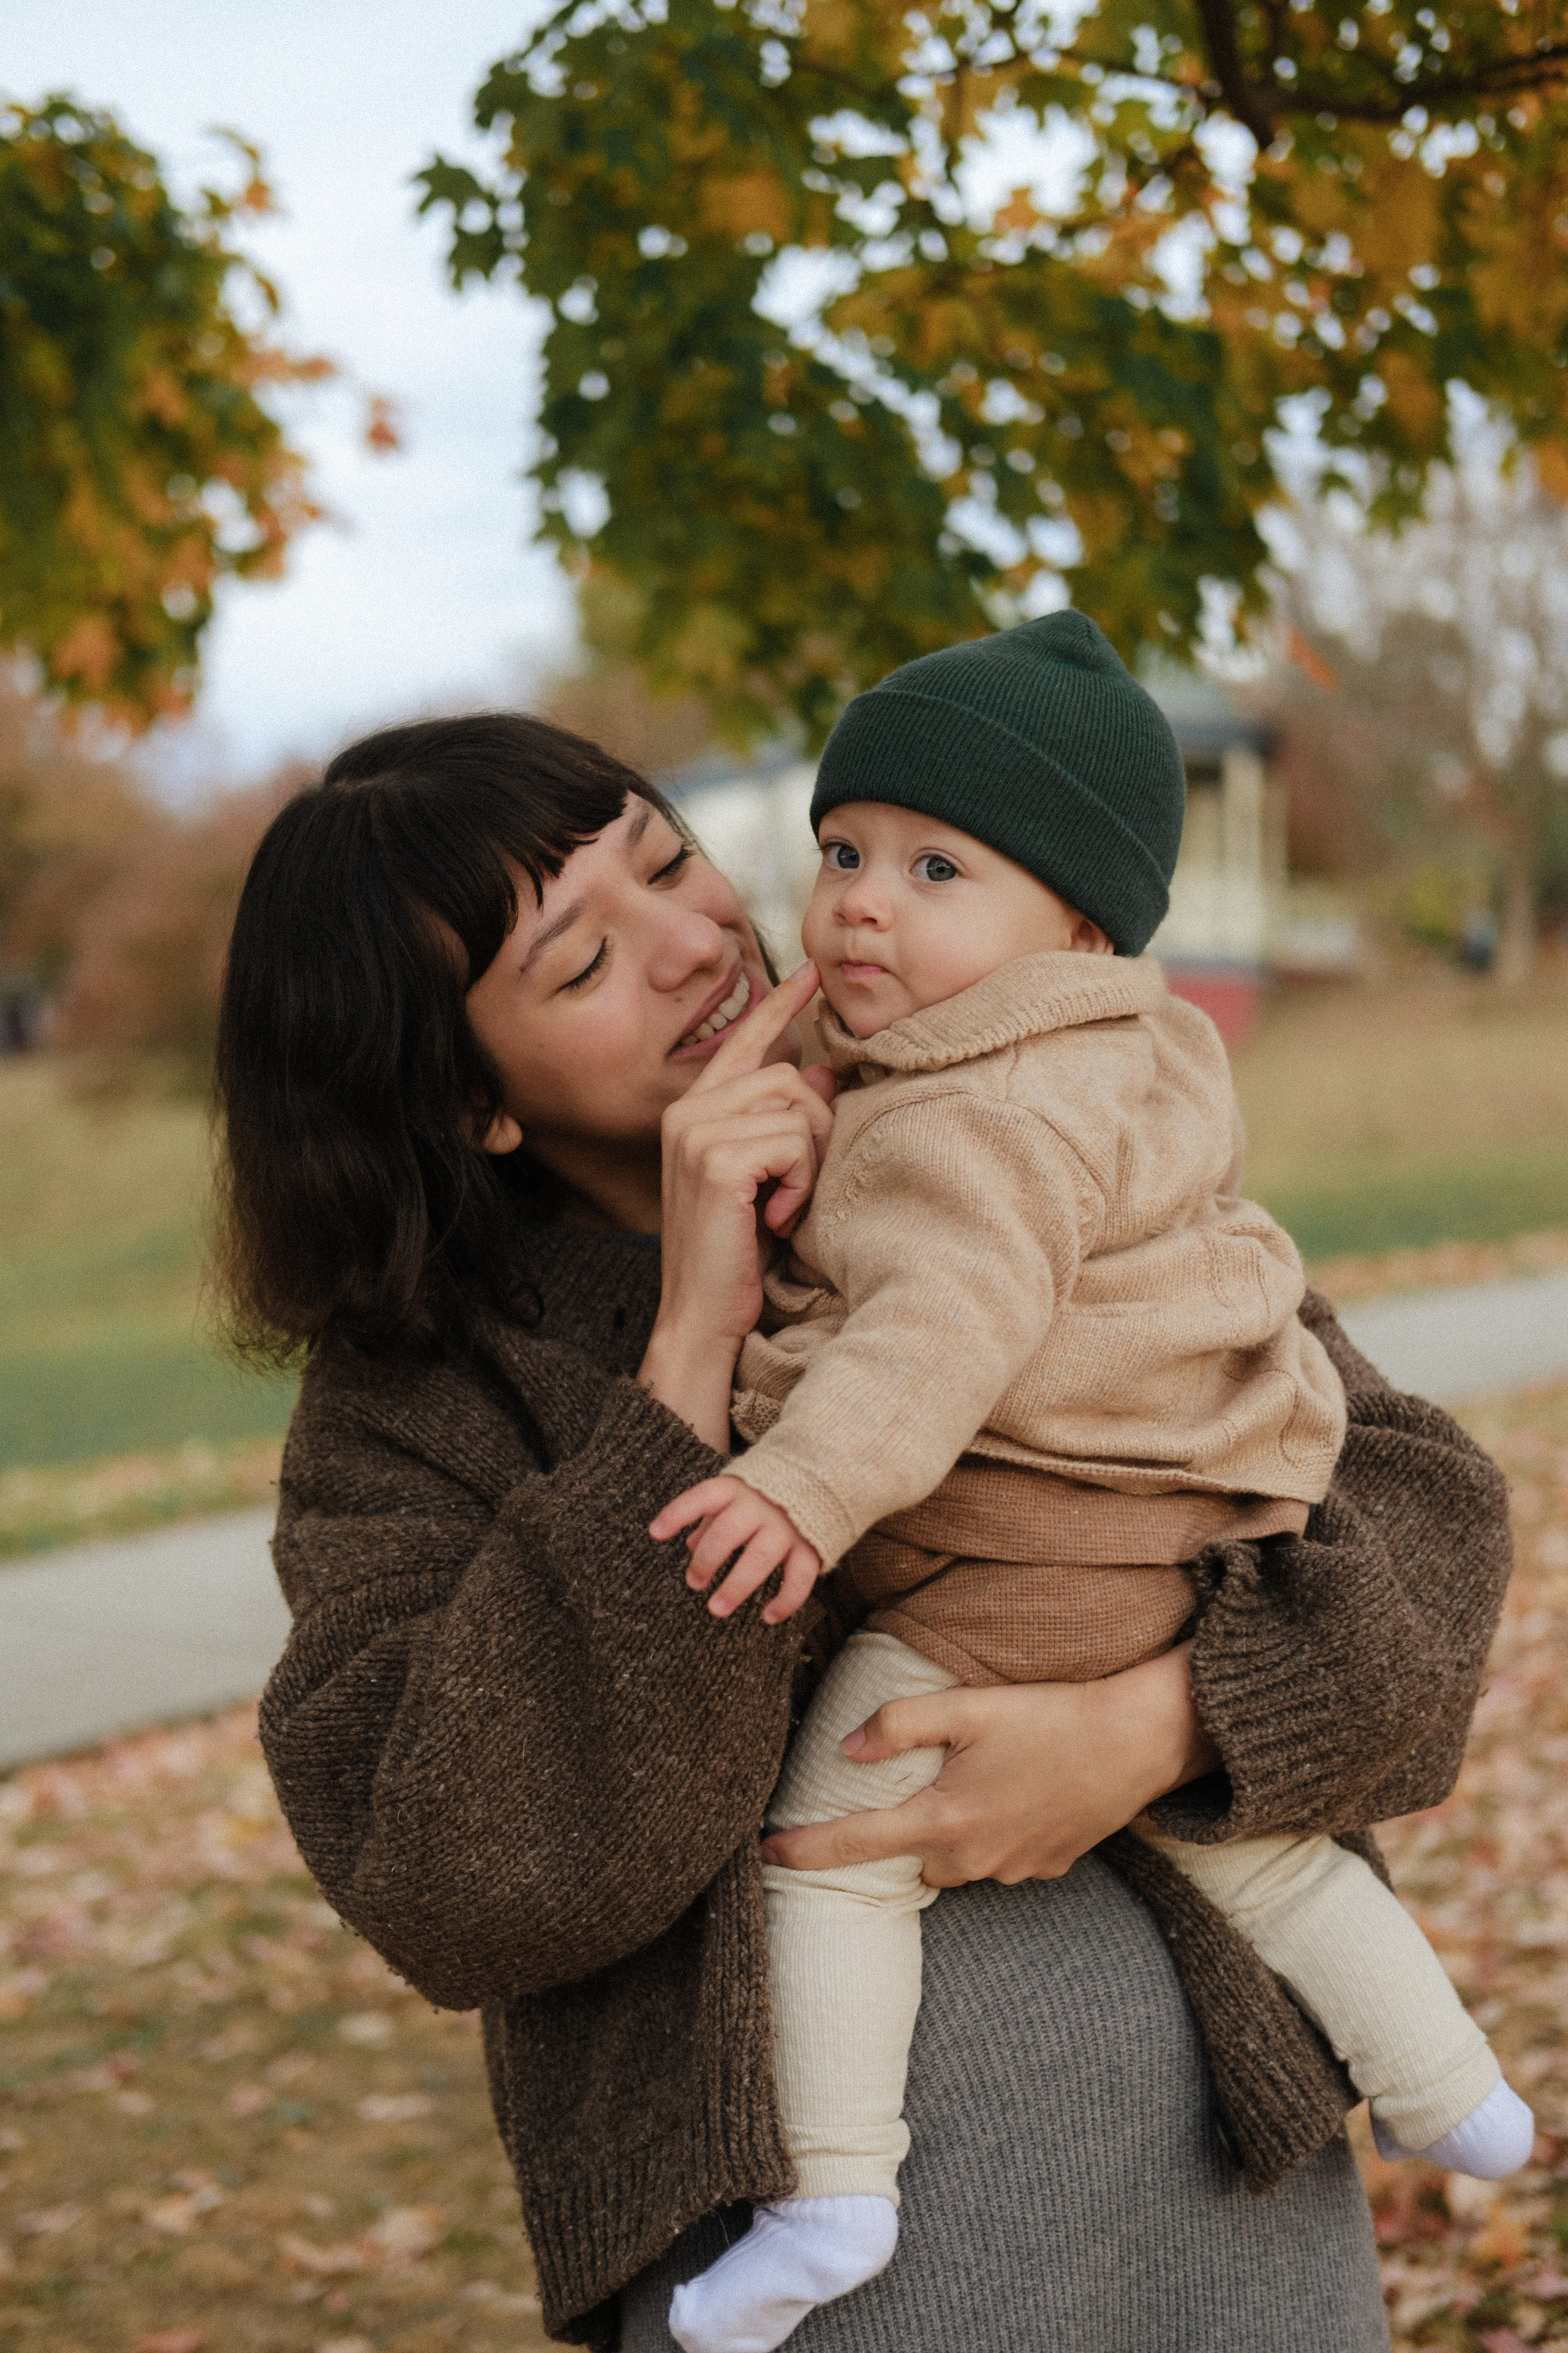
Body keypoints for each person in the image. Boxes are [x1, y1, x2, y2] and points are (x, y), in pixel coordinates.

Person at [214, 710, 1513, 2353]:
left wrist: (1158, 1725)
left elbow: (1423, 1515)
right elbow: (460, 1878)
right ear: (469, 1099)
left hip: (1228, 2195)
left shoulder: (993, 1102)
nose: (697, 943)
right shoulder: (417, 1403)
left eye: (669, 858)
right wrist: (686, 1359)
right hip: (833, 2284)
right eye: (582, 960)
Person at [647, 618, 1532, 2353]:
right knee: (1267, 1862)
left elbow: (938, 1327)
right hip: (1184, 1543)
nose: (859, 903)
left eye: (932, 866)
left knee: (828, 1849)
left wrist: (804, 1490)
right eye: (840, 852)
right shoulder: (1120, 1058)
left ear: (1071, 920)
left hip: (1019, 1561)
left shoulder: (969, 1114)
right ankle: (1455, 2089)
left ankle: (831, 2190)